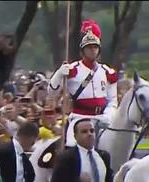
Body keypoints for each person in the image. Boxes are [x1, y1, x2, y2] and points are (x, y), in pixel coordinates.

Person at [47, 19, 117, 147]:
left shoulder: (108, 72)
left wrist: (109, 114)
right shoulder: (72, 69)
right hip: (79, 119)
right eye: (89, 47)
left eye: (95, 47)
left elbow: (112, 99)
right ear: (82, 51)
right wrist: (59, 74)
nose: (92, 50)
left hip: (102, 119)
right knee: (72, 147)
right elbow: (52, 92)